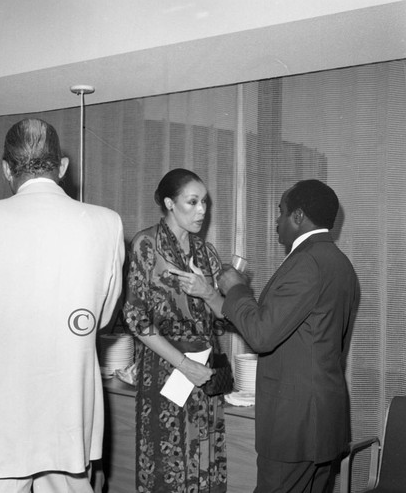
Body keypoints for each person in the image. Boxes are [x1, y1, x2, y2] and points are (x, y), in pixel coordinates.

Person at [0, 118, 125, 493]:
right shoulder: (107, 223)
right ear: (63, 167)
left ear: (5, 169)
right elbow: (102, 318)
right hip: (69, 419)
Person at [218, 179, 359, 493]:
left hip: (294, 424)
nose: (276, 220)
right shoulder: (339, 263)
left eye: (280, 212)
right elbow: (300, 333)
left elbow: (263, 336)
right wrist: (224, 306)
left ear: (298, 216)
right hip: (321, 421)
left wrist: (236, 288)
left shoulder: (306, 262)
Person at [123, 168, 227, 493]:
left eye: (205, 202)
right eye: (192, 202)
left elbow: (224, 319)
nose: (202, 210)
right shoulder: (146, 246)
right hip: (165, 369)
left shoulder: (208, 254)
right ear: (169, 203)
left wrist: (207, 291)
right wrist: (185, 365)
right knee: (165, 465)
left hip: (204, 371)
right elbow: (135, 317)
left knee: (205, 462)